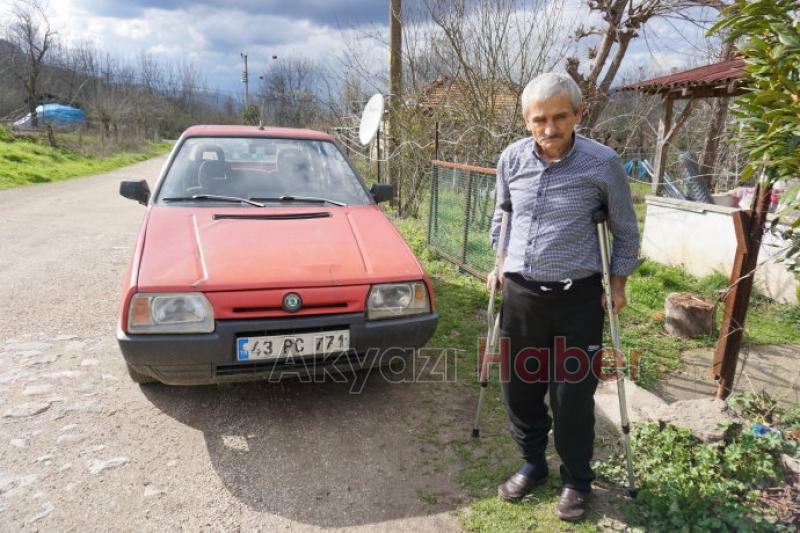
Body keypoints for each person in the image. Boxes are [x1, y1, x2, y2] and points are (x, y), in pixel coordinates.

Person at [488, 72, 639, 522]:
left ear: (578, 113)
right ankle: (533, 464)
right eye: (539, 119)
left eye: (560, 117)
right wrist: (498, 266)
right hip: (521, 296)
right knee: (520, 389)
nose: (550, 128)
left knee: (572, 395)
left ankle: (576, 478)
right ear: (525, 120)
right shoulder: (511, 159)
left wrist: (618, 284)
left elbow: (626, 232)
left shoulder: (603, 162)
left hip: (578, 301)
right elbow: (501, 218)